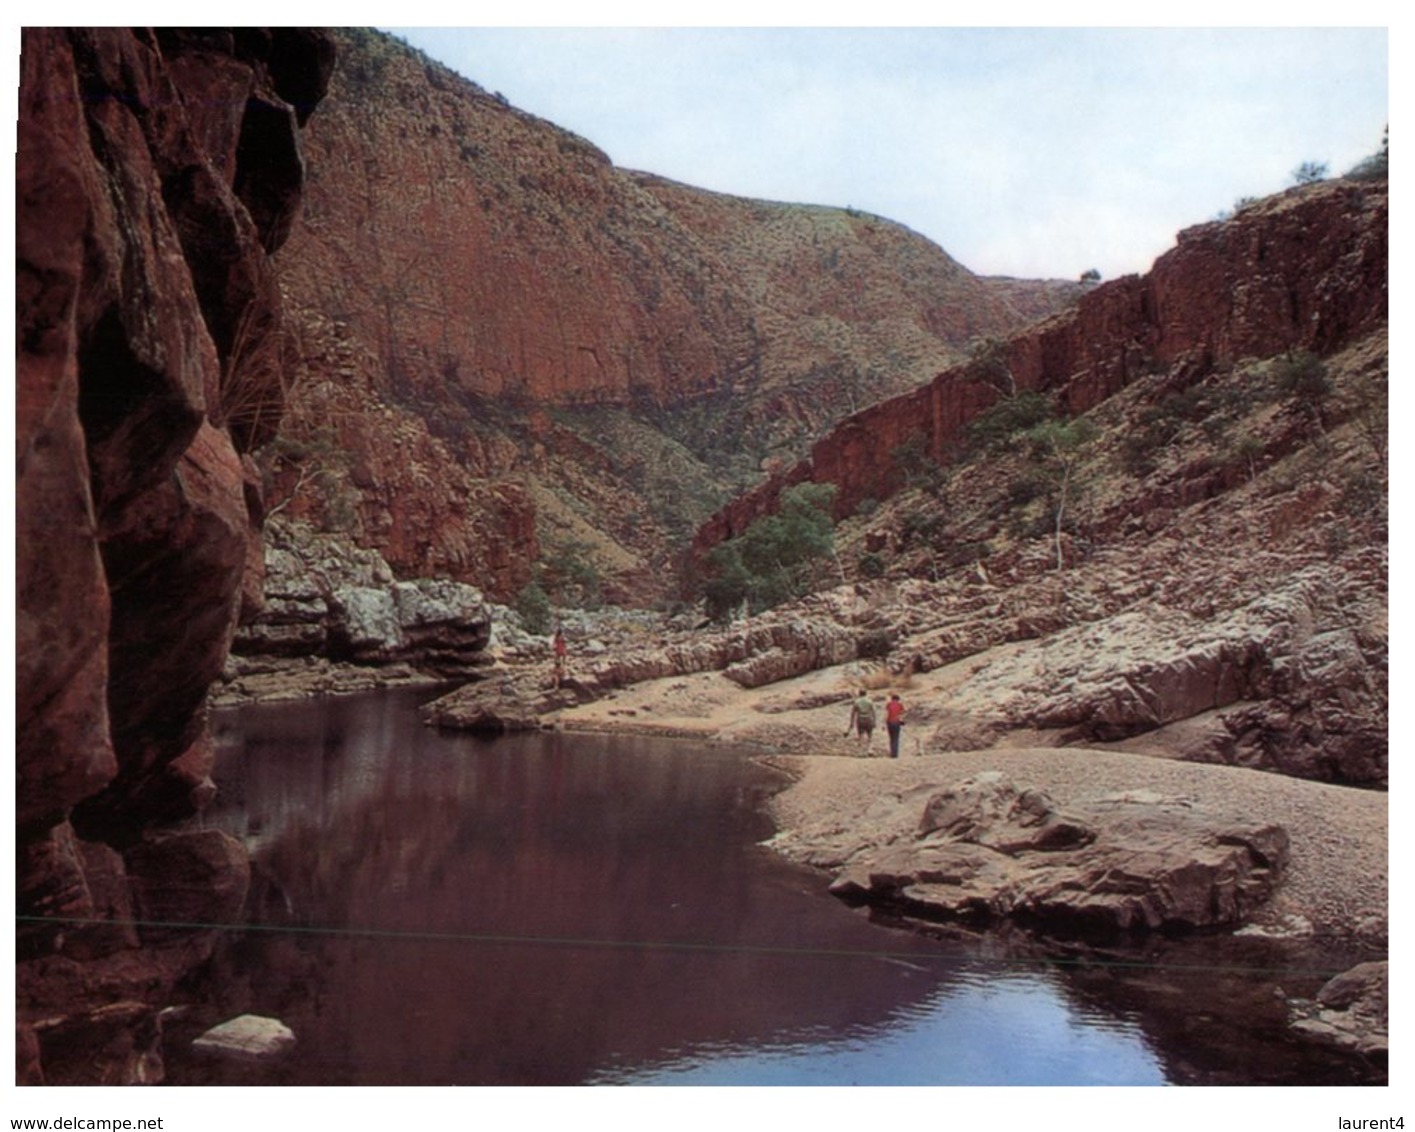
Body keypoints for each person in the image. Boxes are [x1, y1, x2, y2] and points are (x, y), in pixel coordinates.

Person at [844, 689, 876, 755]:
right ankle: (869, 750)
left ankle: (861, 752)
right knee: (869, 735)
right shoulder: (869, 701)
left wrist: (851, 722)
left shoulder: (857, 702)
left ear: (859, 694)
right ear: (866, 694)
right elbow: (873, 712)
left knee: (861, 735)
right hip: (868, 718)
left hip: (860, 718)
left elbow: (853, 712)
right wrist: (874, 721)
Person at [885, 693, 906, 758]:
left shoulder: (889, 704)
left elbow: (886, 713)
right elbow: (904, 711)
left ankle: (892, 753)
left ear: (892, 699)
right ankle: (895, 754)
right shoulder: (900, 705)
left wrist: (884, 722)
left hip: (889, 722)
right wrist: (899, 715)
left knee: (891, 738)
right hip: (897, 722)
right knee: (896, 738)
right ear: (898, 699)